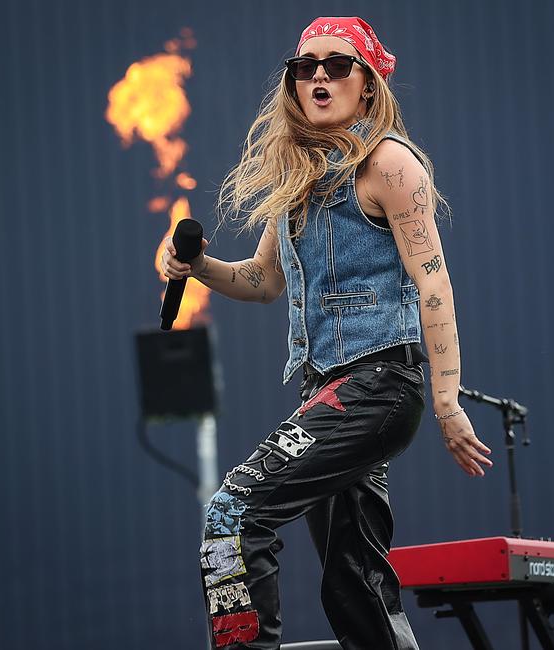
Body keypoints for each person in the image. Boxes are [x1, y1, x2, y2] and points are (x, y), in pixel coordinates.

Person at [161, 15, 493, 650]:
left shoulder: (389, 162)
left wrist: (448, 402)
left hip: (377, 385)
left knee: (235, 512)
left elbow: (434, 284)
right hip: (329, 393)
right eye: (303, 66)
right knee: (355, 578)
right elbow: (262, 279)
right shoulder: (299, 179)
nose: (318, 75)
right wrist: (198, 266)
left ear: (367, 84)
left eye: (336, 65)